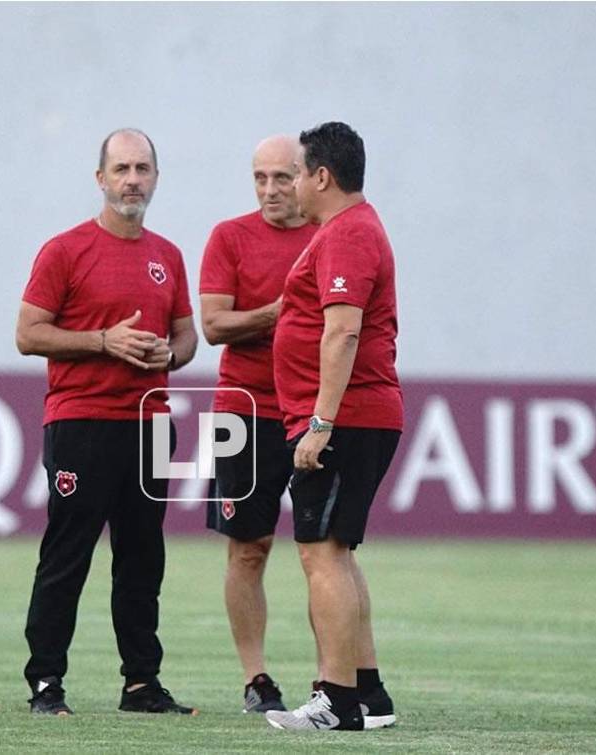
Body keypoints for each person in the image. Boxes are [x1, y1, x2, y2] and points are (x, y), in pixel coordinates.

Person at [16, 128, 199, 716]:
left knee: (143, 558)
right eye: (121, 169)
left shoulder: (168, 255)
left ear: (156, 178)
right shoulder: (64, 250)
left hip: (150, 425)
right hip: (82, 423)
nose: (132, 180)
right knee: (68, 554)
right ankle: (46, 682)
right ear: (100, 179)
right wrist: (102, 341)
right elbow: (28, 334)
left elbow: (187, 337)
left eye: (142, 169)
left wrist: (169, 354)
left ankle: (141, 684)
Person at [264, 122, 403, 732]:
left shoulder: (348, 233)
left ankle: (336, 701)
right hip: (354, 415)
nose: (291, 184)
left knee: (320, 555)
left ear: (322, 176)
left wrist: (320, 422)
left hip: (343, 419)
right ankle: (368, 694)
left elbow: (343, 331)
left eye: (296, 172)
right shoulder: (349, 230)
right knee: (336, 554)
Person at [199, 135, 319, 714]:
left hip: (314, 413)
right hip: (242, 412)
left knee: (326, 551)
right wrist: (279, 312)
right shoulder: (229, 237)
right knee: (249, 548)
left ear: (308, 177)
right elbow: (213, 326)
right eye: (259, 178)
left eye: (281, 177)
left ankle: (333, 679)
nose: (270, 190)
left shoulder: (329, 236)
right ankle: (257, 678)